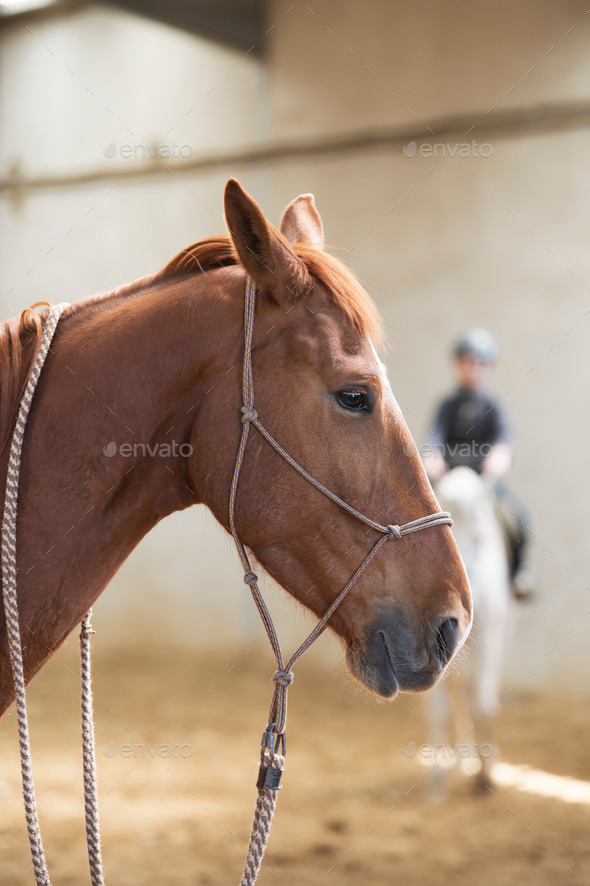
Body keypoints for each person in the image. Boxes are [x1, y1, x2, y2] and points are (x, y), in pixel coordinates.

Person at [424, 327, 534, 599]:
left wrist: (501, 455)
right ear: (457, 365)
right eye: (467, 362)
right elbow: (434, 437)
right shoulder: (446, 406)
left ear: (488, 368)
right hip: (448, 479)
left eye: (480, 363)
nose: (473, 369)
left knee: (518, 519)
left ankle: (519, 571)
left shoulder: (493, 405)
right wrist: (432, 457)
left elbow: (504, 439)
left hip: (483, 482)